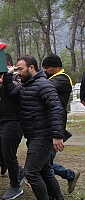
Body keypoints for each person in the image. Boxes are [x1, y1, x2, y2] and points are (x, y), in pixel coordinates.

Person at [3, 54, 65, 200]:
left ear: (31, 67)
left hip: (43, 135)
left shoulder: (44, 85)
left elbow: (56, 109)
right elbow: (12, 95)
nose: (18, 72)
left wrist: (57, 135)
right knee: (45, 171)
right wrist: (7, 76)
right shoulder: (27, 85)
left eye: (20, 69)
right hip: (33, 134)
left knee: (31, 172)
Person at [42, 53, 80, 194]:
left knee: (44, 165)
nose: (44, 70)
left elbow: (44, 87)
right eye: (43, 68)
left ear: (57, 67)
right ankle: (69, 175)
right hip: (48, 124)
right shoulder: (51, 78)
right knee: (44, 164)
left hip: (55, 125)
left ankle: (57, 190)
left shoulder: (62, 79)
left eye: (47, 68)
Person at [0, 53, 24, 199]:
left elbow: (13, 94)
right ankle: (18, 171)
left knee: (9, 155)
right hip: (1, 121)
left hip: (14, 122)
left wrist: (8, 77)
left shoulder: (18, 78)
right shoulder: (1, 81)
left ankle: (15, 185)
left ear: (8, 65)